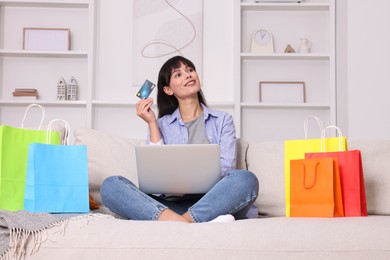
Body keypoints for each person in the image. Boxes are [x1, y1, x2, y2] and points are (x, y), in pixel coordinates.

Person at [100, 56, 259, 223]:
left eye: (190, 70)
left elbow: (227, 168)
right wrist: (152, 123)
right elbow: (156, 175)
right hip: (171, 206)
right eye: (178, 74)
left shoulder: (222, 120)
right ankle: (187, 221)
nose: (188, 75)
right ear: (168, 90)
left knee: (245, 179)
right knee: (111, 186)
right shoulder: (161, 124)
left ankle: (176, 222)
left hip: (216, 202)